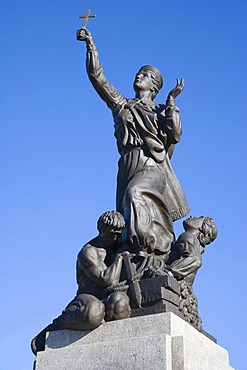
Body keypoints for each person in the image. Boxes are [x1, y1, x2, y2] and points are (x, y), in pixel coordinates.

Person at [77, 29, 189, 259]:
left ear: (154, 85)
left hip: (152, 164)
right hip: (128, 162)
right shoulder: (122, 105)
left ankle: (147, 247)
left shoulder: (160, 110)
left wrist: (171, 102)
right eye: (139, 73)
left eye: (145, 75)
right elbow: (97, 77)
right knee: (127, 213)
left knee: (135, 192)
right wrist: (91, 45)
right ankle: (133, 249)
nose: (139, 76)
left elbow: (175, 134)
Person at [53, 211, 131, 330]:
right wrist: (119, 258)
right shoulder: (89, 252)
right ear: (101, 229)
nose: (115, 238)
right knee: (94, 312)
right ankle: (58, 324)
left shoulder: (116, 246)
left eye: (118, 234)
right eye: (111, 234)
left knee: (121, 302)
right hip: (88, 298)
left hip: (106, 298)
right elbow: (107, 279)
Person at [168, 216, 218, 285]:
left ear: (203, 228)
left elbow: (196, 260)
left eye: (200, 218)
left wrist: (170, 272)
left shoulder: (188, 236)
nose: (192, 216)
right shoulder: (195, 243)